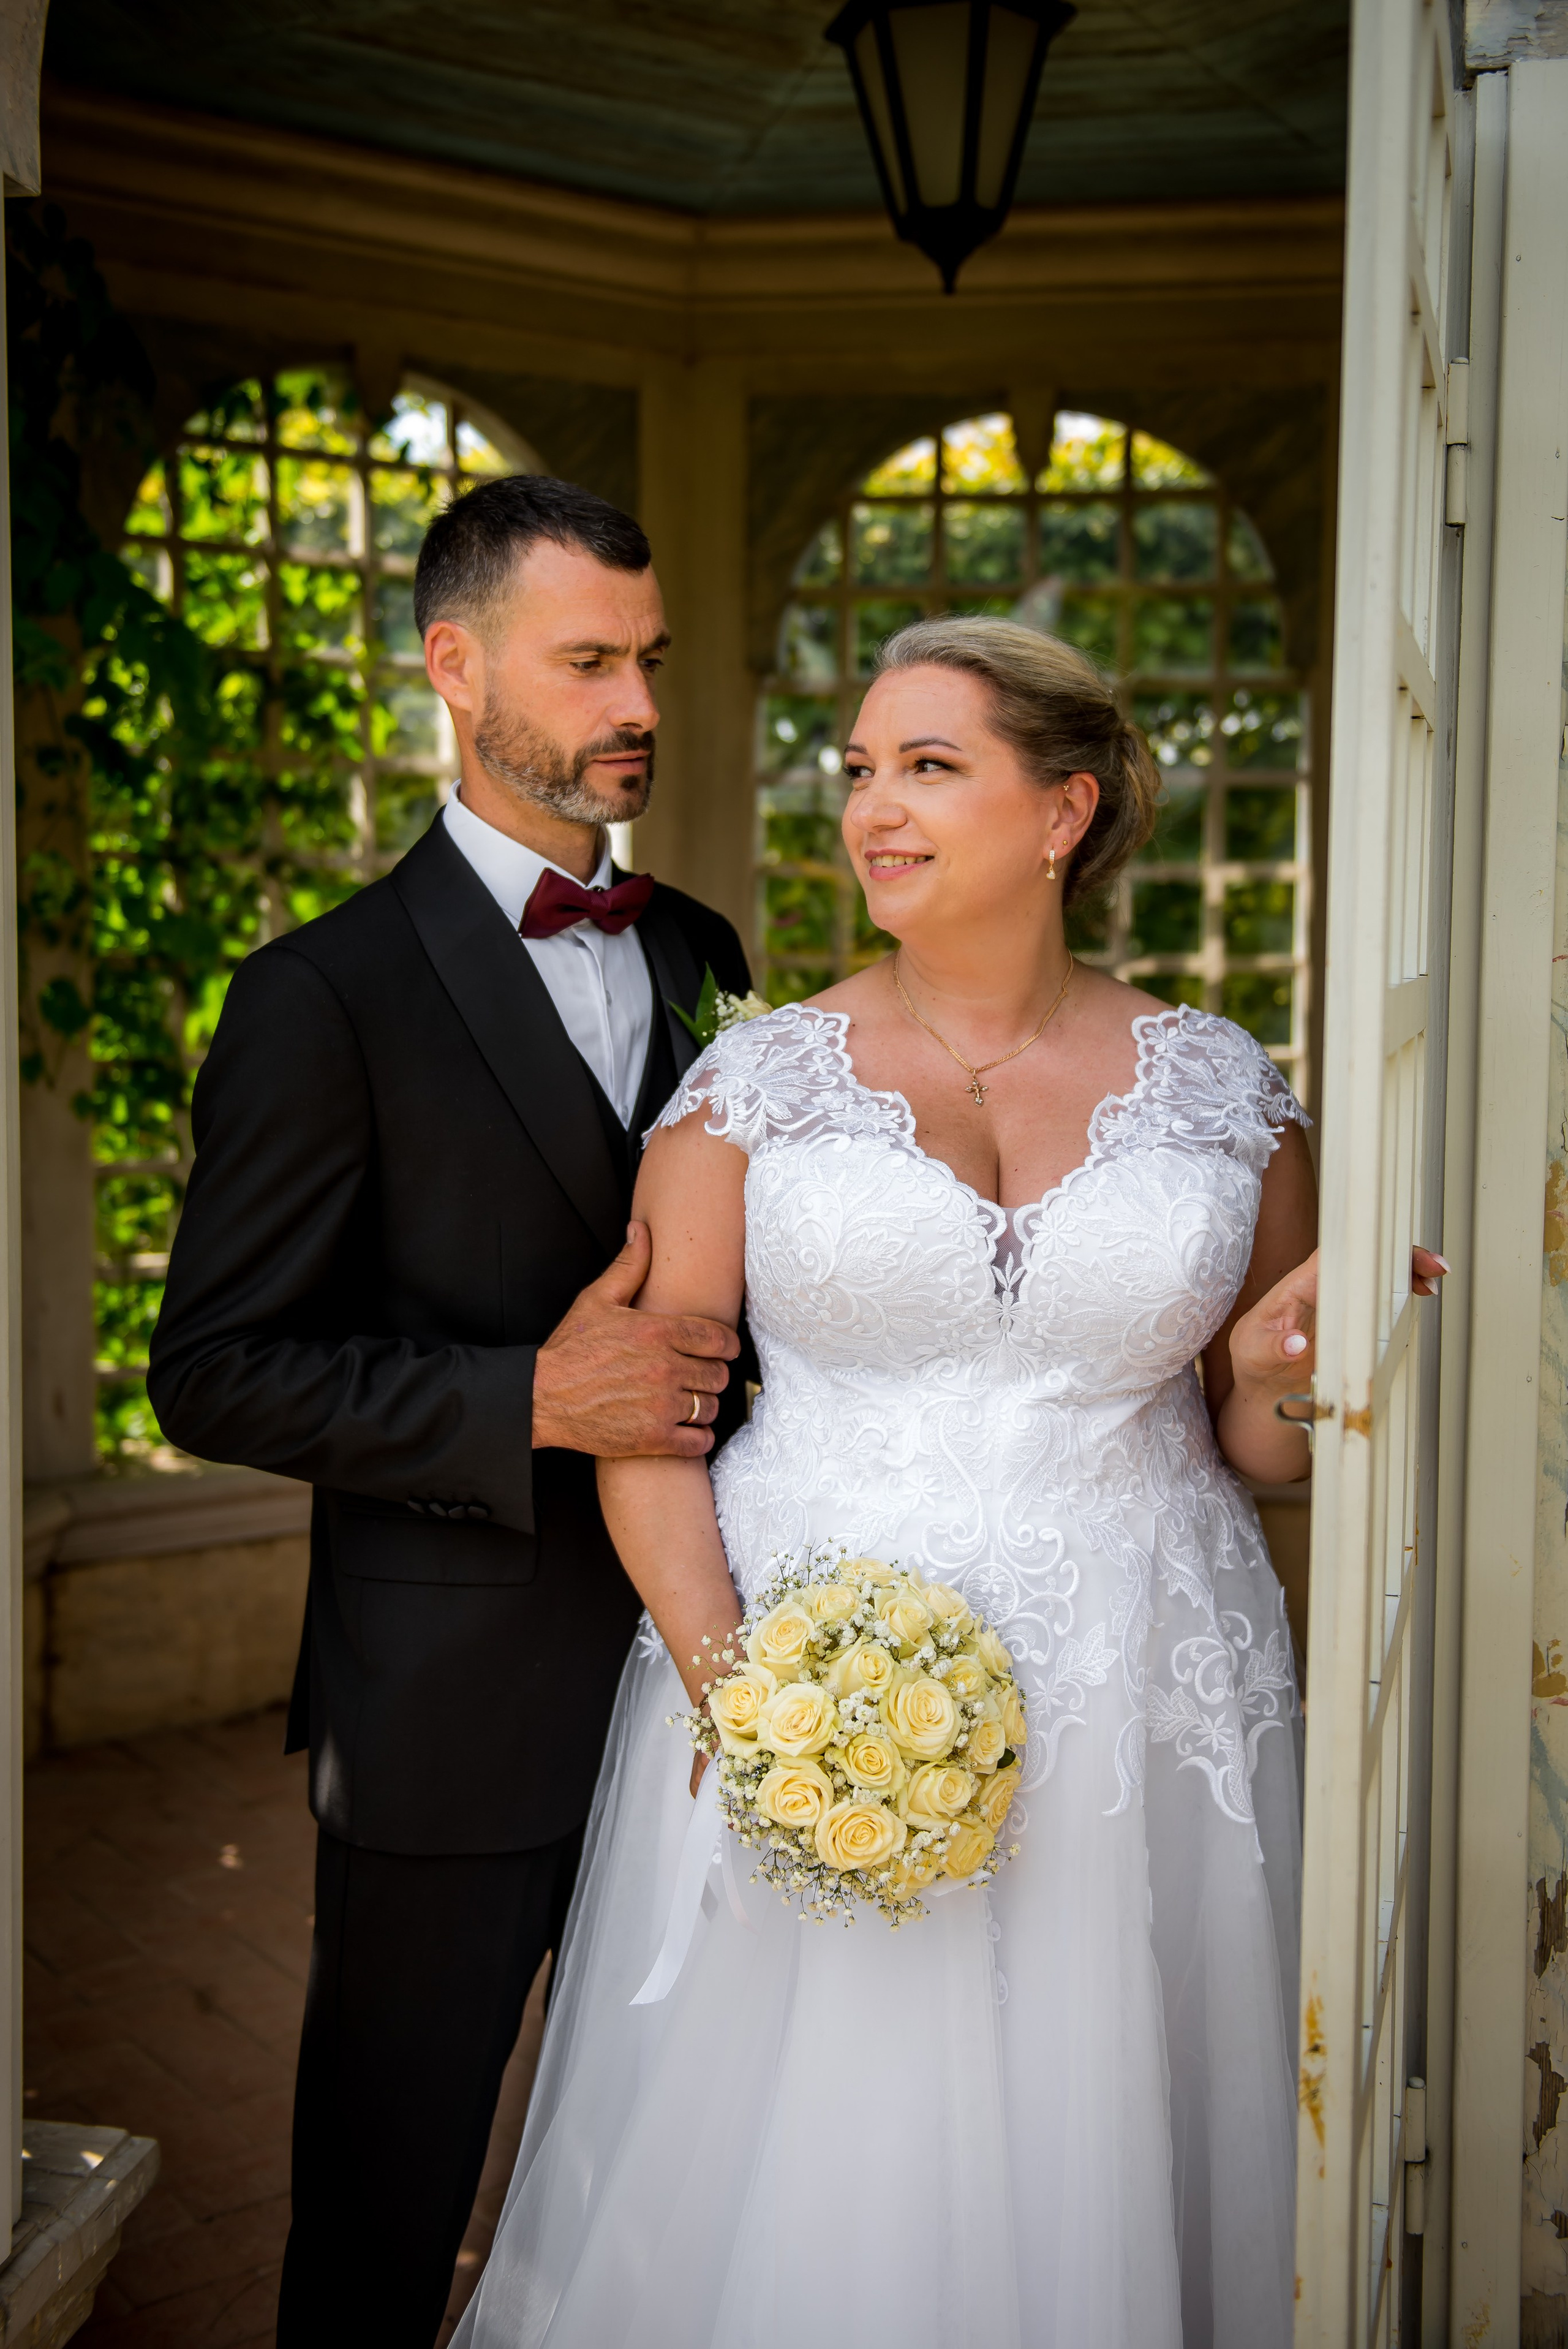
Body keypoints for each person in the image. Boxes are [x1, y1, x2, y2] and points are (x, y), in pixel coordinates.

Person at [453, 616, 1448, 2349]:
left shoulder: (1233, 1098)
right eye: (859, 771)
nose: (873, 811)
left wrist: (1294, 1359)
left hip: (1144, 1695)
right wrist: (751, 1703)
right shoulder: (750, 1083)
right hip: (806, 1678)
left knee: (1125, 2126)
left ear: (1064, 811)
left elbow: (1253, 1446)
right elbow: (649, 1419)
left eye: (929, 766)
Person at [146, 474, 752, 2348]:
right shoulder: (316, 994)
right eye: (588, 661)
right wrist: (524, 1399)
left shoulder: (699, 952)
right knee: (388, 2199)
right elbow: (215, 1363)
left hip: (698, 1681)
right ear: (454, 664)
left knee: (685, 2162)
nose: (636, 699)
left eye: (648, 658)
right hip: (446, 1710)